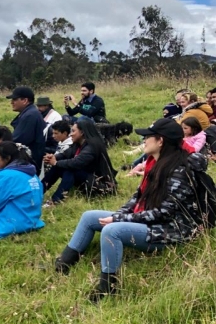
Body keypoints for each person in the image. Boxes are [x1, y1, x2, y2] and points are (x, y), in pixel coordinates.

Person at [55, 118, 209, 302]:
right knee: (89, 217)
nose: (144, 140)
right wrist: (120, 215)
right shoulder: (156, 163)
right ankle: (62, 265)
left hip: (172, 230)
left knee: (113, 230)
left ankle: (107, 287)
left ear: (161, 141)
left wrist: (121, 220)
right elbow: (137, 197)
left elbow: (166, 212)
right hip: (152, 221)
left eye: (147, 137)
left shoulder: (180, 170)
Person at [41, 120, 117, 206]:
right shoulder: (79, 143)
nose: (70, 134)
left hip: (101, 184)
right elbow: (65, 154)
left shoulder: (92, 146)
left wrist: (55, 162)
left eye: (73, 131)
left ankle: (55, 201)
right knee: (59, 167)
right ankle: (36, 194)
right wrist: (54, 157)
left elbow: (76, 163)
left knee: (70, 170)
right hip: (87, 178)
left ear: (82, 132)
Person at [8, 86, 46, 171]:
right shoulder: (29, 113)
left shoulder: (29, 115)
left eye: (14, 99)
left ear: (25, 100)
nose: (11, 102)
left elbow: (18, 140)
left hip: (30, 160)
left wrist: (1, 145)